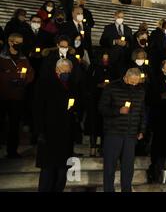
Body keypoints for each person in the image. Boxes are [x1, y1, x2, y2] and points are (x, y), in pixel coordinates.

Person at [33, 58, 82, 192]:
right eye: (62, 70)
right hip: (49, 133)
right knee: (48, 172)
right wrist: (40, 131)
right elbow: (38, 108)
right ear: (56, 70)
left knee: (62, 173)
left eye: (68, 71)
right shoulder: (45, 83)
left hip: (66, 134)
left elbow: (77, 105)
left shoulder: (72, 85)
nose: (65, 73)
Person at [99, 68, 146, 192]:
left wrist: (141, 129)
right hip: (114, 133)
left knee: (128, 167)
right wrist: (118, 111)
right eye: (132, 82)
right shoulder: (112, 88)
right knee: (110, 166)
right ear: (126, 77)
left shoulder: (140, 90)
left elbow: (142, 112)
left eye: (137, 82)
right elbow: (102, 108)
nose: (134, 85)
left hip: (131, 135)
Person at [0, 33, 35, 158]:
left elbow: (30, 72)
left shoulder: (23, 58)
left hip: (18, 96)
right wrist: (9, 79)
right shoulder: (2, 57)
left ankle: (12, 151)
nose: (20, 45)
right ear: (10, 42)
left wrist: (24, 81)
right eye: (17, 42)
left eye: (21, 42)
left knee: (14, 125)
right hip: (3, 96)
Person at [86, 52, 113, 157]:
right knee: (94, 124)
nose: (105, 61)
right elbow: (88, 81)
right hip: (94, 99)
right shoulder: (94, 67)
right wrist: (98, 85)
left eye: (107, 58)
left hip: (107, 100)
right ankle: (92, 147)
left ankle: (102, 147)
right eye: (103, 58)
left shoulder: (111, 68)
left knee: (104, 124)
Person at [100, 10, 133, 79]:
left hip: (124, 59)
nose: (120, 19)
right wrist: (114, 41)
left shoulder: (128, 29)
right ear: (115, 17)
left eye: (122, 17)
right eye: (119, 17)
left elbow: (132, 43)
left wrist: (126, 43)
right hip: (112, 58)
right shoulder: (108, 28)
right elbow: (102, 42)